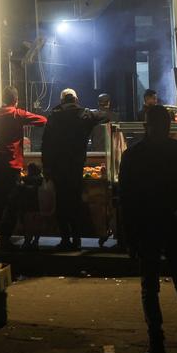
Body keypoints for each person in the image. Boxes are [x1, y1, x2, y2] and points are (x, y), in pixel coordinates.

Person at [119, 105, 177, 353]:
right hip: (176, 226)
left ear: (145, 126)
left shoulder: (133, 156)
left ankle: (156, 344)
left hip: (148, 227)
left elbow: (126, 199)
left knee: (150, 288)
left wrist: (129, 236)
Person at [0, 86, 47, 250]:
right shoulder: (18, 114)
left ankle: (2, 236)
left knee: (0, 201)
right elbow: (43, 121)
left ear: (3, 99)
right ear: (15, 100)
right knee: (12, 202)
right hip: (11, 165)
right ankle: (4, 238)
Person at [42, 88, 109, 250]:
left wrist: (46, 167)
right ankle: (77, 239)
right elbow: (104, 115)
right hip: (76, 166)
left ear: (62, 100)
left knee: (61, 203)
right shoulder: (84, 114)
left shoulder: (54, 116)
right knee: (75, 202)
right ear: (76, 99)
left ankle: (65, 239)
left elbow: (46, 144)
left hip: (58, 167)